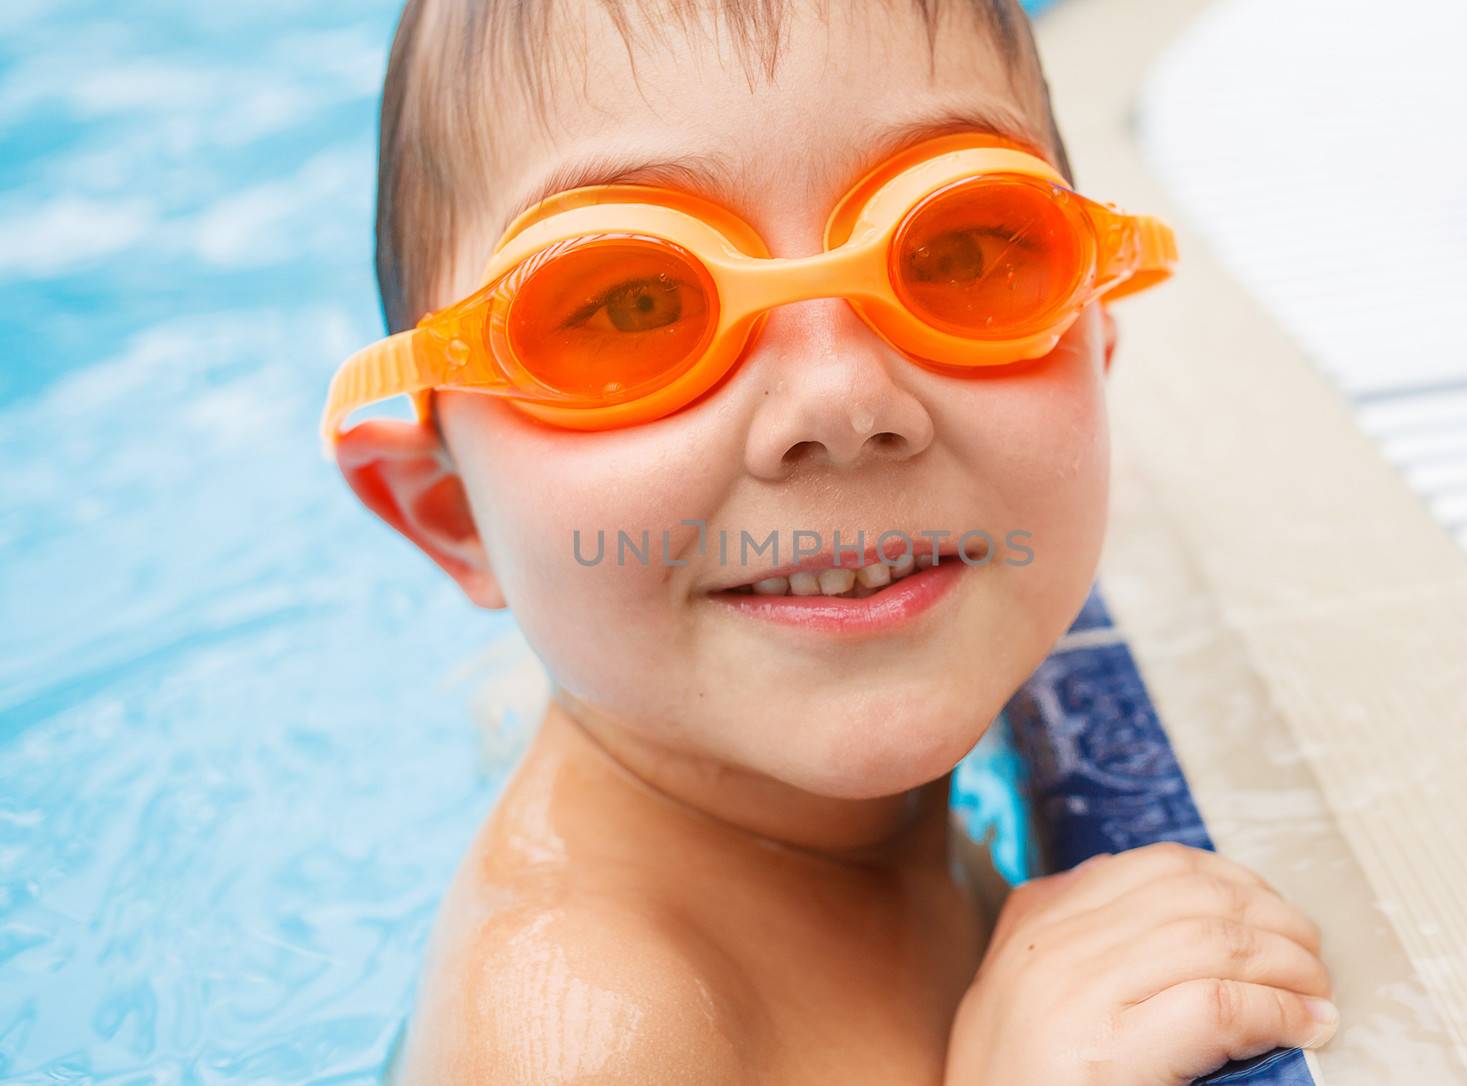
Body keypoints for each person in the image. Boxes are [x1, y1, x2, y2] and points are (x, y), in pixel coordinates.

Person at [324, 1, 1337, 1080]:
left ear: (1096, 341)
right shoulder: (585, 1024)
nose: (843, 398)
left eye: (957, 247)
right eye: (631, 303)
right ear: (451, 512)